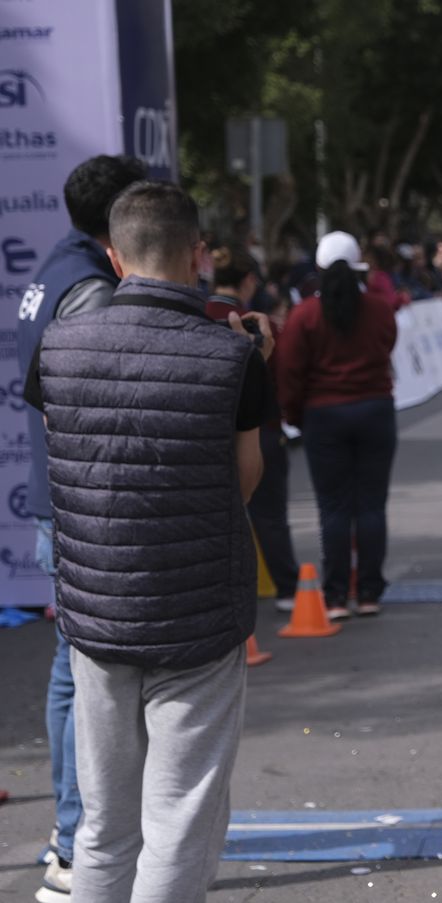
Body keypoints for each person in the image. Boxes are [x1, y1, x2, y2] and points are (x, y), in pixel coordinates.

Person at [24, 180, 273, 903]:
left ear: (113, 255)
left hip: (97, 616)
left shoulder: (61, 347)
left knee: (104, 824)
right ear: (199, 254)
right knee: (179, 822)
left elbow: (66, 460)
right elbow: (244, 478)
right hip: (200, 619)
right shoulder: (232, 357)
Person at [14, 153, 148, 903]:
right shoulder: (90, 288)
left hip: (54, 497)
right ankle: (74, 846)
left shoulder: (53, 268)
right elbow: (104, 400)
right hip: (80, 503)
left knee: (71, 675)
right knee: (87, 680)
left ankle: (68, 840)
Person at [277, 230, 400, 619]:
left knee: (333, 508)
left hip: (324, 416)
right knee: (371, 505)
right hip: (375, 410)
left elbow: (290, 371)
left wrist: (295, 416)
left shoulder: (305, 315)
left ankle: (333, 597)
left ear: (318, 266)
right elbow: (388, 344)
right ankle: (368, 592)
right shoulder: (380, 308)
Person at [207, 243, 299, 614]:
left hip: (209, 431)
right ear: (248, 280)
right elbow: (283, 378)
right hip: (260, 429)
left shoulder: (197, 317)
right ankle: (288, 588)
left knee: (212, 515)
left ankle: (218, 590)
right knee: (269, 514)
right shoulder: (257, 323)